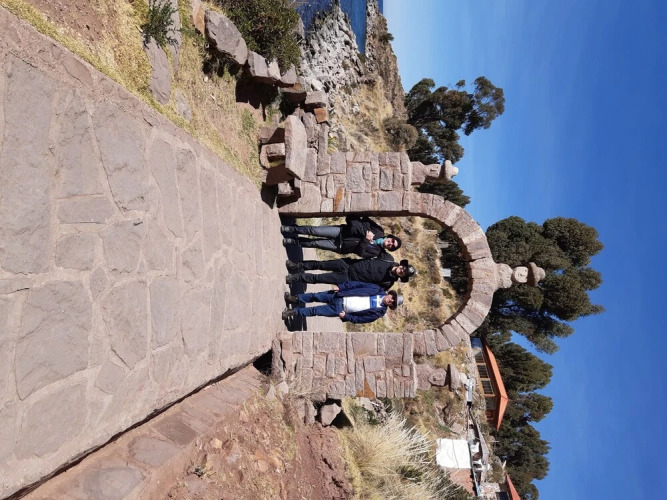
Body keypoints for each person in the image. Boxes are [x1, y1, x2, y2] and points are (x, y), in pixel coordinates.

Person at [282, 281, 403, 324]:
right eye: (393, 297)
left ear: (391, 306)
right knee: (315, 296)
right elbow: (357, 284)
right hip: (340, 295)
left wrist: (346, 317)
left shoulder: (378, 313)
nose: (391, 300)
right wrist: (341, 286)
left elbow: (360, 319)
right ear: (390, 294)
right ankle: (294, 299)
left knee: (315, 311)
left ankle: (293, 312)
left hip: (340, 310)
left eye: (393, 302)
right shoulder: (376, 289)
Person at [281, 215, 401, 258]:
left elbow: (360, 253)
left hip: (341, 246)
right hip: (341, 232)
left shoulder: (377, 252)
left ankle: (293, 241)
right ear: (390, 237)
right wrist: (363, 231)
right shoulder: (379, 231)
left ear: (389, 249)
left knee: (315, 243)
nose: (390, 243)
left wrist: (365, 240)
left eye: (392, 246)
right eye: (392, 241)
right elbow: (364, 220)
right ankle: (292, 229)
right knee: (314, 230)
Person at [285, 256, 415, 290]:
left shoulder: (387, 283)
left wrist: (345, 288)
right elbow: (371, 249)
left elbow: (366, 288)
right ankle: (297, 265)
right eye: (403, 268)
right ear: (402, 265)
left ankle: (295, 278)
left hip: (347, 278)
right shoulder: (388, 258)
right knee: (320, 264)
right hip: (348, 264)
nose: (402, 270)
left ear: (402, 277)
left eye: (404, 273)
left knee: (319, 278)